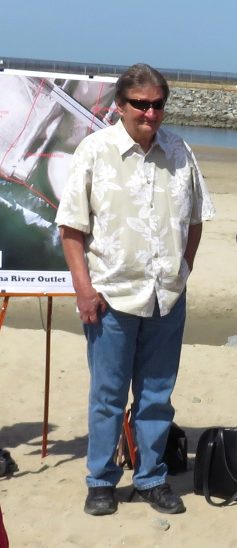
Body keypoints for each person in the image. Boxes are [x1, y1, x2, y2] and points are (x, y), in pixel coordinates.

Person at [56, 63, 214, 517]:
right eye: (140, 104)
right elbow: (71, 229)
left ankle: (150, 478)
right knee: (107, 394)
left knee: (156, 396)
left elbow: (197, 220)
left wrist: (183, 270)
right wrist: (83, 290)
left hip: (166, 296)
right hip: (110, 297)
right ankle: (101, 480)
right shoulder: (94, 151)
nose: (149, 113)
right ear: (119, 106)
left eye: (157, 104)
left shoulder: (179, 151)